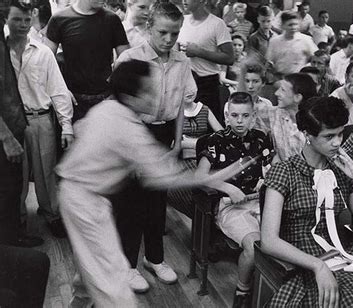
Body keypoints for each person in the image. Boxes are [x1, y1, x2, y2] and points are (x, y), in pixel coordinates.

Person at [57, 59, 255, 307]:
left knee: (92, 270)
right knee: (114, 285)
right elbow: (163, 176)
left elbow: (81, 126)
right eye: (149, 91)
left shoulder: (107, 110)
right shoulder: (125, 127)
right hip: (84, 201)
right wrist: (214, 177)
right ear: (131, 95)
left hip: (79, 195)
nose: (156, 96)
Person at [261, 96, 353, 307]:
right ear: (307, 135)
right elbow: (268, 240)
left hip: (343, 251)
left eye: (340, 134)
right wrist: (318, 266)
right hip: (304, 260)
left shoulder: (341, 169)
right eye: (329, 136)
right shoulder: (284, 172)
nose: (338, 142)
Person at [113, 2, 197, 292]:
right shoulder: (130, 58)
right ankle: (127, 265)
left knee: (157, 202)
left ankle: (155, 258)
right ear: (149, 27)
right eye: (163, 32)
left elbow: (182, 108)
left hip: (164, 135)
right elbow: (120, 107)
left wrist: (176, 144)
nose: (169, 39)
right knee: (131, 205)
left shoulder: (182, 62)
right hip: (135, 134)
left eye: (175, 34)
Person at [196, 92, 274, 307]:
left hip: (261, 202)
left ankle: (273, 291)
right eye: (235, 115)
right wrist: (228, 188)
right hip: (230, 208)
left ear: (253, 115)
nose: (240, 121)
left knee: (285, 238)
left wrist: (267, 179)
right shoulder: (215, 141)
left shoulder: (260, 138)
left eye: (245, 115)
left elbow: (275, 167)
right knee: (254, 245)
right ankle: (243, 290)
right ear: (226, 116)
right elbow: (200, 176)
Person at [7, 0, 73, 238]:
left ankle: (51, 213)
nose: (23, 25)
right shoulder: (2, 52)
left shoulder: (43, 52)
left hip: (41, 118)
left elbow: (57, 89)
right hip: (14, 122)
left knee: (46, 171)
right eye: (16, 19)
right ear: (6, 19)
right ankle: (18, 218)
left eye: (27, 20)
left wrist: (66, 126)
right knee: (17, 175)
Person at [0, 0, 43, 248]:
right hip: (6, 134)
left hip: (13, 127)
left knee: (12, 190)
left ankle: (12, 240)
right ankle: (11, 247)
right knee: (8, 192)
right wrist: (6, 138)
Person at [45, 0, 130, 123]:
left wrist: (116, 92)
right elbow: (47, 62)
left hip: (105, 100)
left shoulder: (112, 20)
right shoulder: (59, 19)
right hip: (72, 101)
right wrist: (62, 91)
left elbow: (126, 60)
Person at [178, 0, 233, 124]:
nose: (184, 0)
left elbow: (229, 58)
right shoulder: (182, 20)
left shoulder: (217, 24)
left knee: (209, 130)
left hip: (207, 85)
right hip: (182, 83)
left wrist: (199, 52)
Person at [261, 73, 317, 162]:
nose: (276, 93)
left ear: (297, 97)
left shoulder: (313, 130)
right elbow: (248, 110)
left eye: (283, 90)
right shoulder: (277, 114)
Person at [266, 11, 317, 78]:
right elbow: (269, 61)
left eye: (295, 24)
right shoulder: (274, 41)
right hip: (280, 79)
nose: (293, 27)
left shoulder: (306, 40)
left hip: (300, 78)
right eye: (290, 25)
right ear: (283, 25)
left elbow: (316, 58)